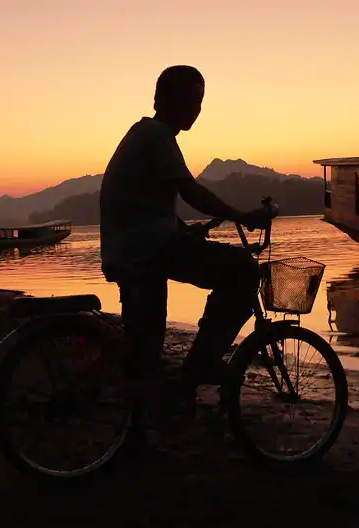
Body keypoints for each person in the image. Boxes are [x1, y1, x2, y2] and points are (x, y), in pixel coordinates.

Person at [99, 65, 272, 424]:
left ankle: (137, 432)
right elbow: (190, 191)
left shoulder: (145, 135)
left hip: (132, 248)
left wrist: (183, 230)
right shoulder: (156, 135)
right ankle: (203, 362)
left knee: (145, 351)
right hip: (146, 250)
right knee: (242, 269)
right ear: (163, 99)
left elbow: (145, 202)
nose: (196, 109)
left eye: (200, 101)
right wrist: (241, 215)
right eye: (191, 100)